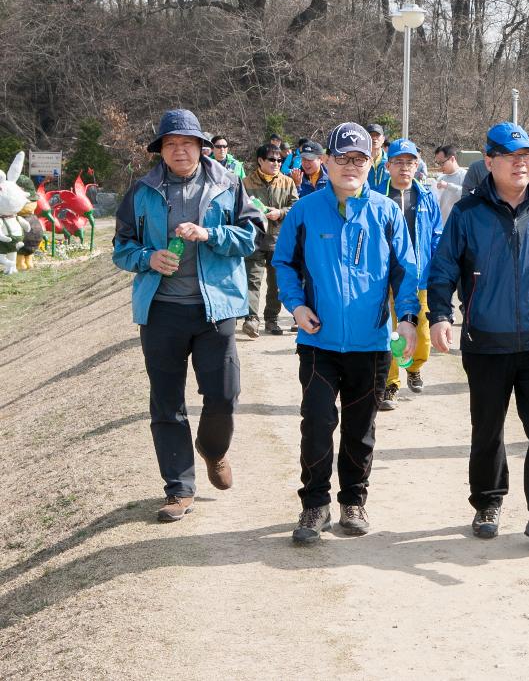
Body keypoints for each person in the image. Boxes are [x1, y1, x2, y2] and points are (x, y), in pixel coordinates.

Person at [427, 122, 529, 552]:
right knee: (488, 428)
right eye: (511, 156)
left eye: (526, 156)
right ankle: (488, 502)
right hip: (486, 340)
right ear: (489, 161)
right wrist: (440, 315)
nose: (521, 163)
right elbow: (443, 269)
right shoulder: (468, 212)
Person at [112, 109, 263, 522]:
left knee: (224, 395)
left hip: (215, 310)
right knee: (166, 403)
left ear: (201, 146)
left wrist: (210, 233)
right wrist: (147, 257)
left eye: (187, 143)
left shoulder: (228, 184)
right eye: (170, 144)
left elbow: (251, 236)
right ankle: (179, 489)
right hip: (161, 311)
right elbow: (121, 248)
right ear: (160, 151)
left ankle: (214, 450)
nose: (179, 150)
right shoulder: (142, 191)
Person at [273, 122, 420, 545]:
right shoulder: (304, 211)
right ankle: (314, 504)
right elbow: (284, 263)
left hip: (371, 344)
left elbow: (405, 269)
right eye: (342, 158)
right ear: (328, 161)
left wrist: (406, 317)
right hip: (318, 342)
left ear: (370, 162)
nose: (351, 166)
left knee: (361, 427)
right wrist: (297, 306)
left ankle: (353, 500)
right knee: (317, 423)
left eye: (359, 158)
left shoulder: (386, 211)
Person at [379, 138, 443, 409]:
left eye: (410, 162)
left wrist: (438, 268)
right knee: (390, 330)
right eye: (399, 162)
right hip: (386, 276)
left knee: (422, 330)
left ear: (417, 166)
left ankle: (414, 366)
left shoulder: (427, 197)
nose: (405, 168)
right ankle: (389, 385)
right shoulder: (376, 196)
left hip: (420, 276)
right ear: (388, 166)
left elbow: (437, 235)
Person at [241, 143, 299, 337]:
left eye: (279, 160)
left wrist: (280, 213)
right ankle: (251, 319)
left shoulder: (287, 182)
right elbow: (238, 210)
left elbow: (295, 207)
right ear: (260, 161)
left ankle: (271, 320)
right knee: (252, 280)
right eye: (272, 159)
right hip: (254, 239)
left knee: (276, 282)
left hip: (279, 240)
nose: (276, 163)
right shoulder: (246, 183)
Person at [432, 144, 468, 222]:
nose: (440, 166)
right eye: (438, 163)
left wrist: (448, 186)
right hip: (443, 226)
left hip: (459, 226)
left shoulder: (465, 176)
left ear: (452, 159)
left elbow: (468, 195)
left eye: (442, 163)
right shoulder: (440, 178)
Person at [366, 123, 389, 192]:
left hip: (385, 199)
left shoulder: (390, 161)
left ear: (383, 139)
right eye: (371, 135)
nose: (374, 138)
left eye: (377, 135)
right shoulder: (359, 161)